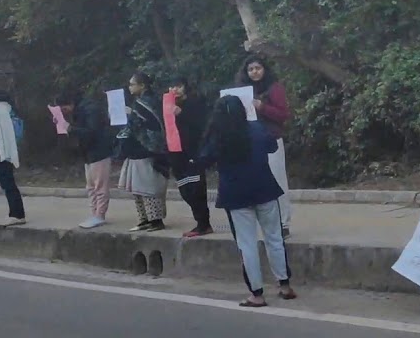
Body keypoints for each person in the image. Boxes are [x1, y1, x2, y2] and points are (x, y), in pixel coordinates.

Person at [199, 96, 296, 308]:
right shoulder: (257, 129)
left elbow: (203, 159)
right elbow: (272, 147)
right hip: (265, 190)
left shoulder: (217, 137)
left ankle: (257, 294)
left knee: (247, 244)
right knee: (274, 238)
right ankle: (285, 285)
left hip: (235, 196)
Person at [237, 56, 292, 236]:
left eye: (258, 68)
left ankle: (283, 223)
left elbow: (283, 114)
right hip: (251, 143)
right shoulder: (243, 91)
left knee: (277, 180)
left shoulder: (274, 88)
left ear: (264, 69)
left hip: (272, 140)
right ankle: (268, 223)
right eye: (251, 69)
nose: (254, 72)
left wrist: (262, 107)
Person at [116, 72, 169, 232]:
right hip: (137, 150)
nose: (130, 87)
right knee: (137, 188)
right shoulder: (138, 103)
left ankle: (156, 220)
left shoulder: (147, 103)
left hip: (147, 150)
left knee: (149, 187)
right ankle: (144, 219)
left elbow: (149, 126)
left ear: (142, 85)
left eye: (132, 84)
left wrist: (131, 115)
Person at [168, 77, 213, 238]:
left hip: (193, 151)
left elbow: (201, 126)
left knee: (196, 187)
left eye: (179, 86)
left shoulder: (195, 103)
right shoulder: (168, 105)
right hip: (176, 153)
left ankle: (203, 224)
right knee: (184, 189)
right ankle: (200, 221)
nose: (176, 89)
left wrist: (182, 114)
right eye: (172, 86)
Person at [64, 91, 113, 228]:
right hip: (88, 153)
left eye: (64, 108)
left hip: (99, 152)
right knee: (91, 186)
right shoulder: (79, 111)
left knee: (100, 186)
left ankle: (100, 215)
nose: (65, 111)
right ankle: (94, 213)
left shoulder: (90, 109)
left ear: (70, 103)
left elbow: (91, 132)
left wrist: (71, 129)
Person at [0, 95, 26, 227]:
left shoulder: (0, 110)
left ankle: (17, 214)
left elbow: (2, 136)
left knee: (8, 183)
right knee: (7, 183)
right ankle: (15, 213)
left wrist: (4, 155)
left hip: (3, 154)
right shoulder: (6, 109)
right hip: (4, 153)